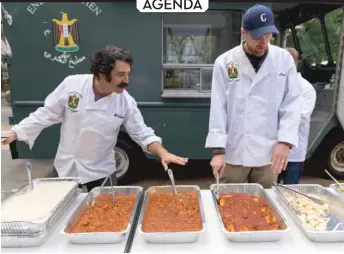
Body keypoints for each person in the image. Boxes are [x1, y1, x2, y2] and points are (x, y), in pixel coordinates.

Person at [2, 45, 188, 191]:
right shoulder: (72, 85)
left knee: (104, 214)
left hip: (101, 171)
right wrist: (18, 131)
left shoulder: (125, 102)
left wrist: (162, 152)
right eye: (120, 75)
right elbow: (46, 113)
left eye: (128, 74)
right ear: (101, 73)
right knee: (64, 214)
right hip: (67, 166)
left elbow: (142, 133)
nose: (127, 80)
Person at [205, 4, 302, 188]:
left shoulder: (284, 60)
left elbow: (292, 103)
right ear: (243, 32)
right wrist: (218, 150)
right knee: (229, 201)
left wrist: (285, 142)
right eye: (258, 37)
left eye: (268, 36)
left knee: (265, 205)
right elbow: (218, 107)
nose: (263, 43)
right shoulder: (224, 63)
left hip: (269, 152)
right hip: (235, 151)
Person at [278, 48, 316, 184]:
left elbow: (301, 118)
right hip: (273, 152)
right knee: (270, 192)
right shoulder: (275, 86)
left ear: (293, 64)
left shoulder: (306, 89)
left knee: (290, 193)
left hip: (294, 154)